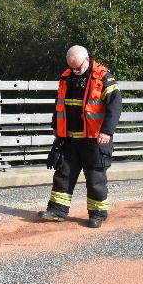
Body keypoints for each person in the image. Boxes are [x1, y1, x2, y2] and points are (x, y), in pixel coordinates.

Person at [38, 45, 122, 228]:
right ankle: (56, 211)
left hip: (94, 139)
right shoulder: (66, 76)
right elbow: (59, 102)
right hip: (69, 138)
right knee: (63, 174)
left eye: (77, 68)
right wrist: (55, 126)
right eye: (72, 67)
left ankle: (98, 215)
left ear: (87, 59)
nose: (75, 71)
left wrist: (107, 131)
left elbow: (115, 106)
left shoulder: (104, 77)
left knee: (95, 179)